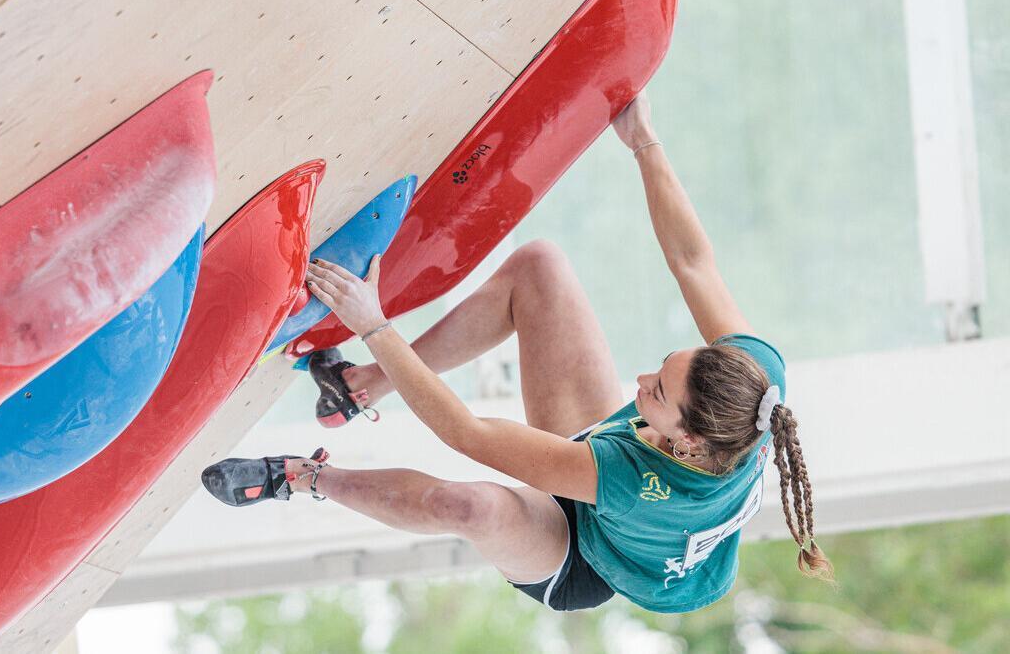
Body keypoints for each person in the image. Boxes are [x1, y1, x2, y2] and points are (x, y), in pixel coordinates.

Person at [202, 92, 833, 613]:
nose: (639, 379)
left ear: (689, 442)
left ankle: (301, 476)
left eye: (657, 392)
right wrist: (643, 139)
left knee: (468, 505)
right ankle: (359, 386)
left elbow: (466, 432)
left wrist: (374, 324)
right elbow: (693, 261)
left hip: (587, 555)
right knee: (541, 268)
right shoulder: (753, 383)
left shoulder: (631, 482)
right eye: (665, 364)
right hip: (623, 473)